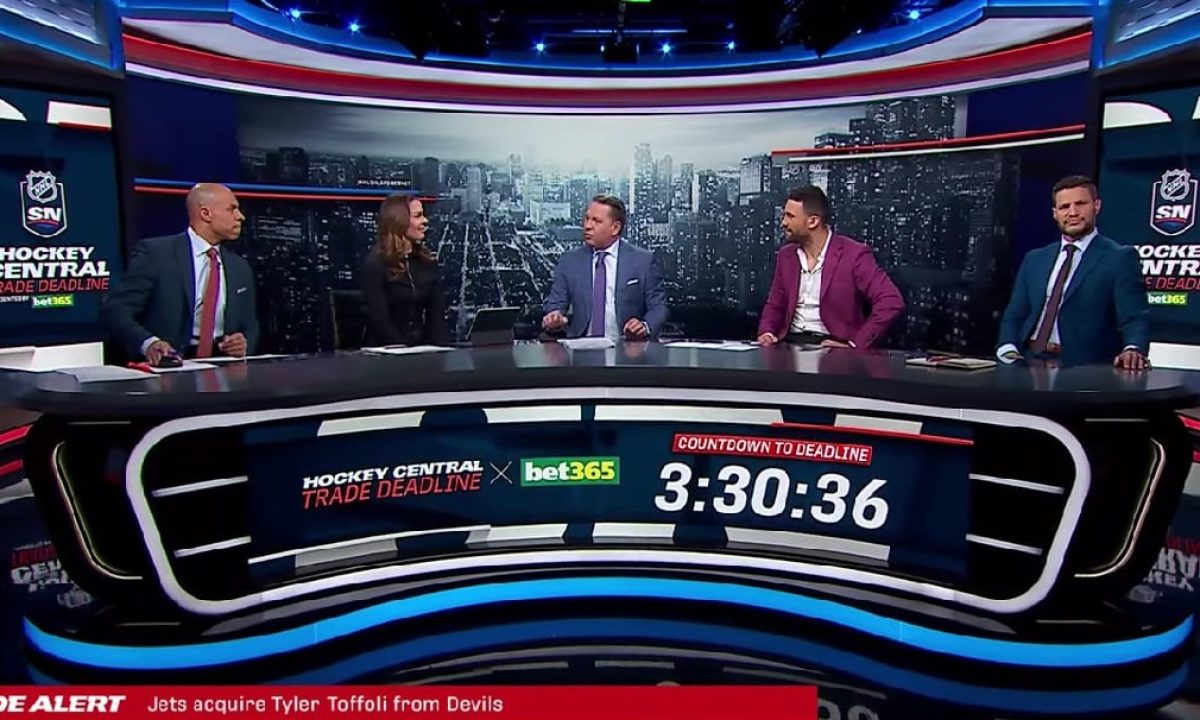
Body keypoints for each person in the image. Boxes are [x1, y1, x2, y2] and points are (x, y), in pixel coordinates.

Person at [996, 175, 1150, 370]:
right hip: (1026, 362)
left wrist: (1133, 348)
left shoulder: (1119, 258)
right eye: (1064, 207)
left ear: (1096, 206)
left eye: (1080, 204)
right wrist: (1007, 349)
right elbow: (1015, 314)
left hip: (1082, 368)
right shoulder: (1035, 259)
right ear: (1055, 213)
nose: (1073, 212)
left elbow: (1134, 317)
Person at [101, 183, 258, 364]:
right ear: (205, 214)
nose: (240, 217)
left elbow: (250, 326)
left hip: (222, 367)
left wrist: (243, 344)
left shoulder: (239, 267)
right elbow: (116, 311)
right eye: (232, 209)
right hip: (167, 367)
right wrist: (149, 343)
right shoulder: (157, 254)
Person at [757, 185, 904, 348]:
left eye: (790, 216)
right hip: (790, 342)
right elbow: (775, 304)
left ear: (813, 221)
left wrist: (855, 344)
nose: (784, 222)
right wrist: (767, 332)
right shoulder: (786, 256)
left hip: (832, 343)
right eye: (784, 215)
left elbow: (891, 301)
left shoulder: (854, 255)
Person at [542, 194, 668, 340]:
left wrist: (644, 326)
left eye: (596, 221)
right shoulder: (570, 261)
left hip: (627, 346)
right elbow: (555, 303)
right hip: (580, 346)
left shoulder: (643, 261)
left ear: (615, 228)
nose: (587, 226)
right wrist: (554, 316)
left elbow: (658, 307)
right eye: (587, 218)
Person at [361, 193, 449, 346]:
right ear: (399, 221)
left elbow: (436, 318)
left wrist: (439, 352)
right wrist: (407, 352)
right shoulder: (376, 264)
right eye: (418, 216)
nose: (425, 221)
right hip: (386, 351)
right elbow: (380, 322)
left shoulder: (427, 262)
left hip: (420, 350)